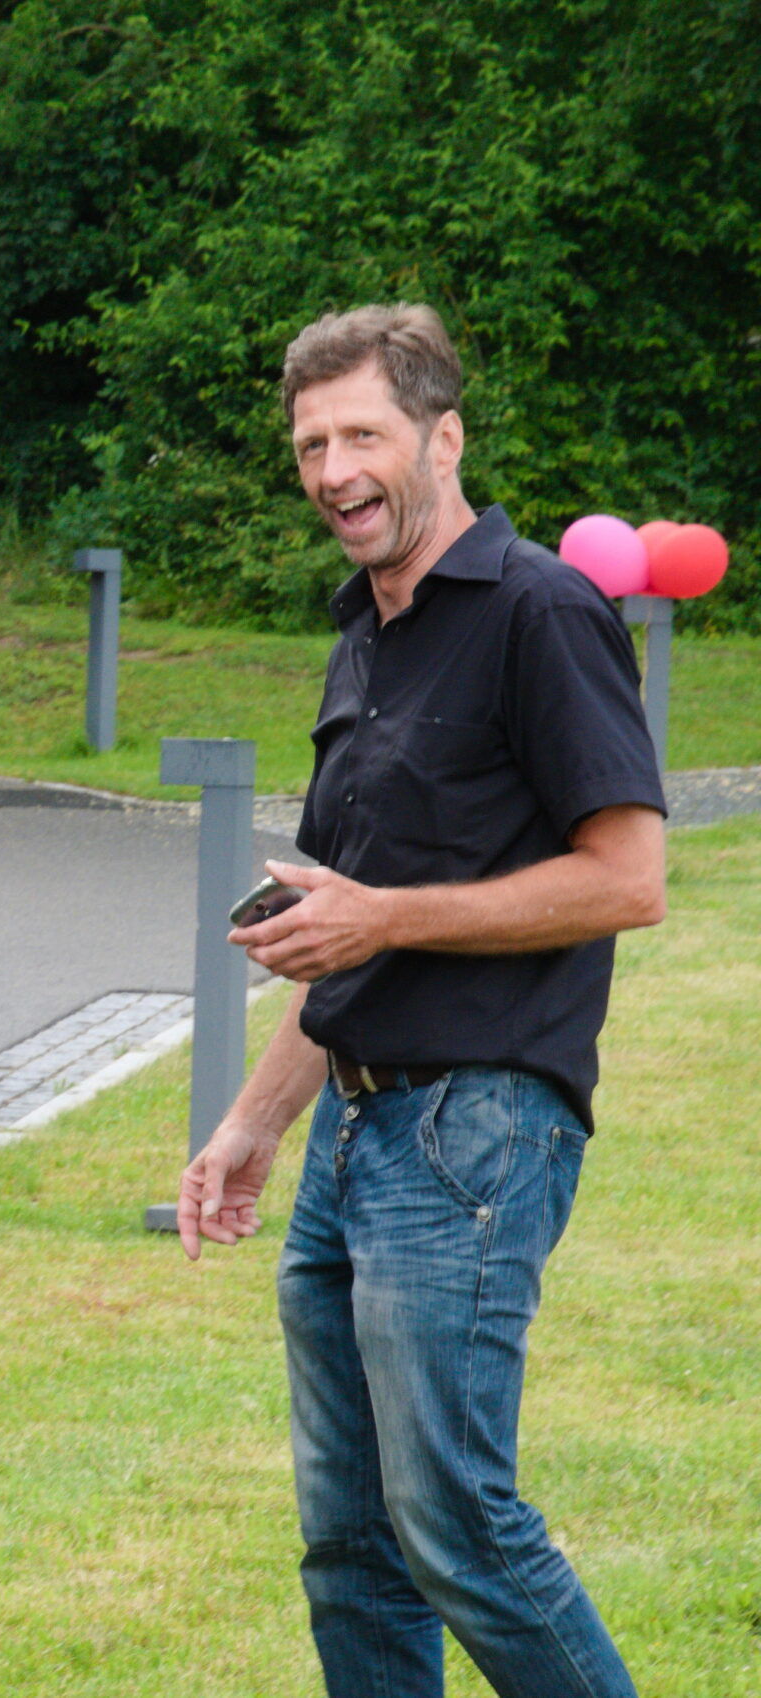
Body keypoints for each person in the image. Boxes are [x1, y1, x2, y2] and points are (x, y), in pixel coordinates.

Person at [177, 303, 666, 1698]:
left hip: (479, 1129)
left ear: (441, 438)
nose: (334, 468)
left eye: (363, 435)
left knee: (457, 1523)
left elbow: (629, 878)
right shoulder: (366, 638)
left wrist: (382, 913)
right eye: (311, 442)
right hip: (354, 1135)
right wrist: (257, 1118)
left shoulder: (539, 612)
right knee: (349, 1542)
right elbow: (351, 936)